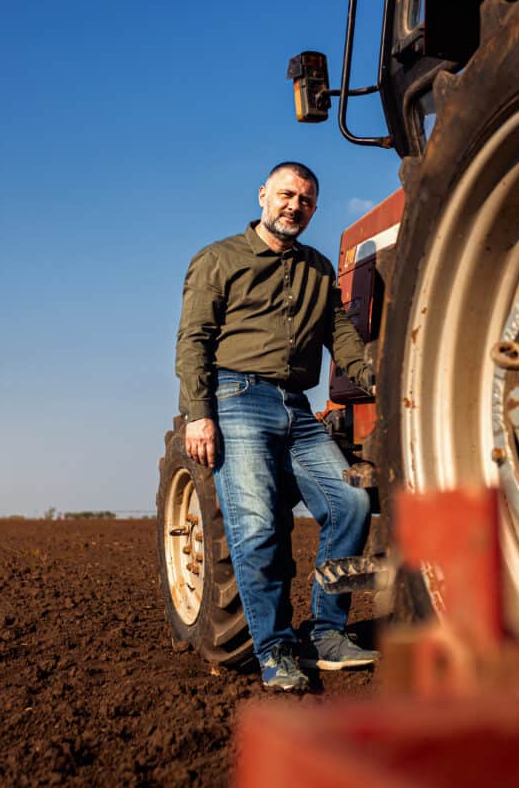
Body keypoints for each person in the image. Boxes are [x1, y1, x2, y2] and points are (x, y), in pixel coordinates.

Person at [175, 161, 379, 691]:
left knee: (352, 502)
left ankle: (327, 634)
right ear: (263, 194)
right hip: (237, 398)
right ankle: (274, 649)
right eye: (287, 194)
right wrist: (199, 414)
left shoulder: (317, 269)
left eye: (307, 201)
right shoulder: (218, 259)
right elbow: (194, 339)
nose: (295, 206)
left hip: (297, 406)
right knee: (257, 526)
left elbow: (342, 337)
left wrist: (378, 379)